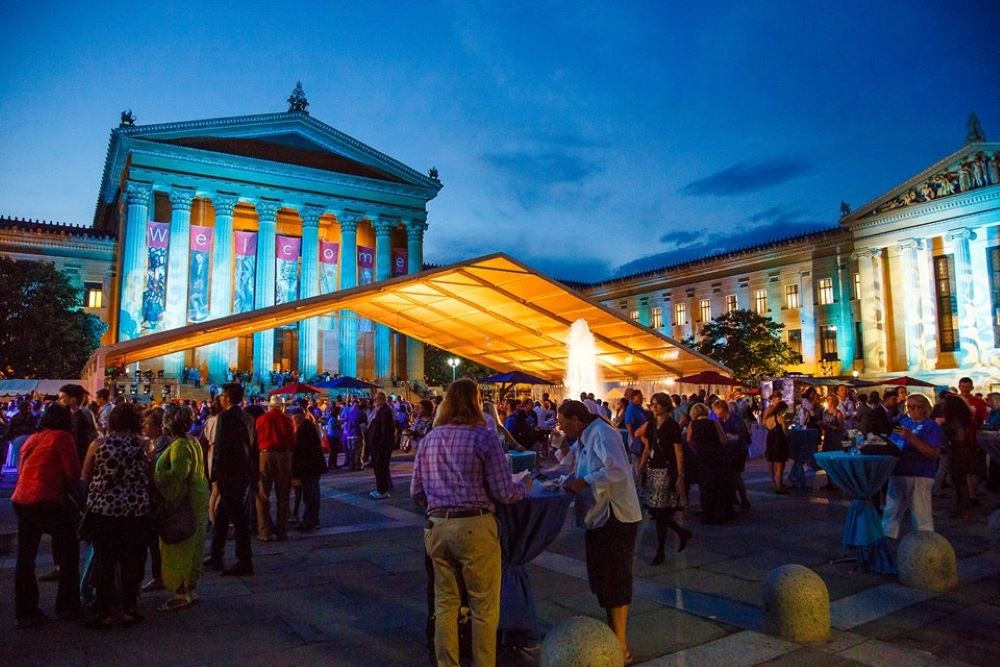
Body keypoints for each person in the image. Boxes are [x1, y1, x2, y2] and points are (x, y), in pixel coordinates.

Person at [410, 378, 530, 667]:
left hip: (438, 527)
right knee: (483, 608)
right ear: (476, 402)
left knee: (446, 604)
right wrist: (524, 484)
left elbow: (416, 492)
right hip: (475, 527)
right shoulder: (483, 437)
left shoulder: (429, 439)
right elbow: (504, 491)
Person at [558, 400, 641, 664]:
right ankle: (614, 638)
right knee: (602, 577)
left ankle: (621, 645)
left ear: (575, 419)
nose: (559, 426)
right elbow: (569, 465)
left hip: (616, 516)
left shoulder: (603, 433)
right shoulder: (585, 436)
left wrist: (583, 482)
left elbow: (615, 470)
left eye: (561, 421)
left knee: (616, 576)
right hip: (599, 516)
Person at [81, 402, 154, 629]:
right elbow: (150, 477)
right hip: (136, 510)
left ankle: (104, 610)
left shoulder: (99, 444)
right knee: (133, 559)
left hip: (104, 510)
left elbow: (85, 476)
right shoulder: (144, 444)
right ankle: (129, 607)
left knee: (105, 560)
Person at [11, 403, 81, 627]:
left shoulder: (33, 438)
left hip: (22, 499)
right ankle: (67, 606)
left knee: (25, 558)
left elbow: (22, 470)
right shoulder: (63, 437)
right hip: (49, 499)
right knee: (69, 553)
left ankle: (25, 610)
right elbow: (73, 472)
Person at [154, 405, 209, 611]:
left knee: (179, 547)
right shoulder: (193, 441)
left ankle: (180, 591)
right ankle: (190, 587)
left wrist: (157, 475)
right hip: (198, 496)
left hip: (184, 501)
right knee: (194, 545)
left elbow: (179, 473)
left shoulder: (179, 446)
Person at [206, 383, 255, 577]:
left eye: (221, 396)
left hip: (229, 473)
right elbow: (252, 445)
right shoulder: (247, 416)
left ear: (226, 398)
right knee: (222, 515)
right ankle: (216, 554)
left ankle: (245, 561)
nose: (219, 398)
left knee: (238, 519)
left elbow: (221, 447)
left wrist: (215, 474)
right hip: (242, 472)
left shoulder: (225, 418)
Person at [638, 393, 692, 564]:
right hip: (653, 470)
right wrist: (641, 468)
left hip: (665, 471)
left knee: (660, 512)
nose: (653, 407)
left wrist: (680, 475)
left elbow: (678, 450)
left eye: (657, 404)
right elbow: (648, 447)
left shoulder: (672, 426)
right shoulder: (652, 424)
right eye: (652, 404)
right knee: (654, 509)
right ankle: (681, 533)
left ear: (666, 406)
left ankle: (660, 550)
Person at [882, 394, 943, 540]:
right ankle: (887, 538)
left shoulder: (931, 426)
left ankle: (924, 543)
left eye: (916, 407)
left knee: (921, 512)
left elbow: (933, 452)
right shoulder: (903, 422)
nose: (912, 410)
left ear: (925, 409)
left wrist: (911, 438)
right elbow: (893, 441)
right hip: (899, 471)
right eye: (909, 406)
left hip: (920, 473)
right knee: (892, 509)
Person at [255, 395, 296, 541]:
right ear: (282, 407)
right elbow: (292, 440)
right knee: (283, 495)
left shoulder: (261, 419)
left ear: (270, 406)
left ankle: (264, 531)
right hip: (284, 456)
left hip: (265, 455)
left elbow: (256, 438)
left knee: (262, 495)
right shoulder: (287, 420)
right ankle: (282, 531)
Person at [688, 403, 735, 523]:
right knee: (718, 484)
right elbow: (723, 440)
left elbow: (689, 440)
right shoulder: (714, 423)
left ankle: (707, 512)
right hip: (716, 456)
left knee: (705, 485)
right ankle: (720, 513)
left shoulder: (692, 424)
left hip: (702, 457)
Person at [940, 394, 975, 520]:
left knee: (959, 481)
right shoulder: (961, 418)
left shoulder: (954, 420)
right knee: (960, 481)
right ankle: (962, 507)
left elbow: (958, 436)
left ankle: (964, 509)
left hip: (958, 451)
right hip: (961, 450)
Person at [291, 410, 327, 531]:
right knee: (314, 494)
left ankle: (309, 521)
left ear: (297, 419)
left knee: (310, 495)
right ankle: (313, 520)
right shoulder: (310, 427)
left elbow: (300, 451)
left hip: (309, 466)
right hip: (315, 465)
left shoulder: (302, 431)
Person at [366, 391, 396, 500]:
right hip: (377, 445)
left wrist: (382, 445)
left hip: (381, 446)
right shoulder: (379, 410)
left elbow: (385, 430)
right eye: (374, 399)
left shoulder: (385, 411)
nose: (375, 401)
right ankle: (382, 488)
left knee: (380, 468)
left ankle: (382, 490)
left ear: (382, 399)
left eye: (376, 399)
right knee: (379, 468)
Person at [764, 400, 790, 494]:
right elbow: (785, 432)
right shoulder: (780, 418)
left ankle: (777, 483)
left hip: (770, 442)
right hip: (779, 443)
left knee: (774, 464)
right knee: (780, 466)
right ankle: (779, 487)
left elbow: (766, 426)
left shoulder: (768, 418)